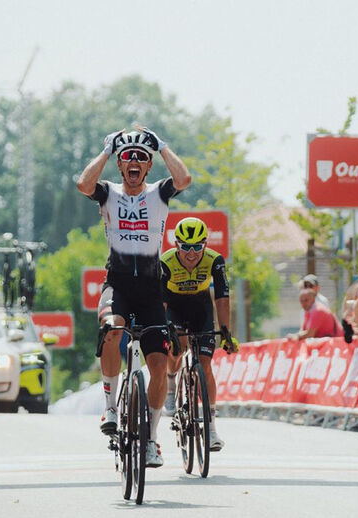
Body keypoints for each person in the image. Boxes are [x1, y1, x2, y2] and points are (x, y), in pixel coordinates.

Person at [77, 127, 190, 468]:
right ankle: (110, 406)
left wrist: (163, 145)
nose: (135, 162)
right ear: (121, 165)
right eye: (129, 157)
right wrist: (108, 149)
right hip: (119, 284)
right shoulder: (108, 193)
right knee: (111, 329)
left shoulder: (158, 193)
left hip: (152, 290)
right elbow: (84, 185)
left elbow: (183, 179)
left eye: (142, 157)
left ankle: (152, 439)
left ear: (150, 166)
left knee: (158, 364)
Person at [159, 217, 238, 451]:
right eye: (186, 247)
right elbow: (160, 304)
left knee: (205, 365)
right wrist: (166, 330)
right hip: (173, 307)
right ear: (176, 246)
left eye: (197, 247)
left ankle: (212, 430)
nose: (191, 253)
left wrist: (226, 332)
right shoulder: (165, 262)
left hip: (201, 308)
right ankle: (171, 382)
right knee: (178, 349)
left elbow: (223, 299)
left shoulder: (215, 261)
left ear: (205, 244)